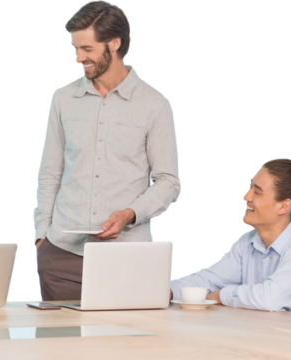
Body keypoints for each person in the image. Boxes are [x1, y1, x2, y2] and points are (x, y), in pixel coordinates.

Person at [33, 0, 182, 301]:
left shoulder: (155, 105)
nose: (78, 58)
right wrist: (41, 236)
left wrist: (129, 214)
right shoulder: (62, 98)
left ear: (114, 43)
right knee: (60, 335)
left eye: (87, 49)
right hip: (60, 256)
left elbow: (169, 182)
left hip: (126, 258)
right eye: (75, 48)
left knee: (124, 334)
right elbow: (50, 172)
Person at [170, 159, 291, 318]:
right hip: (261, 332)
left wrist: (221, 296)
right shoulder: (248, 241)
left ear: (283, 206)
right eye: (249, 187)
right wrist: (167, 291)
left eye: (257, 192)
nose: (245, 196)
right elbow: (209, 280)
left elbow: (271, 298)